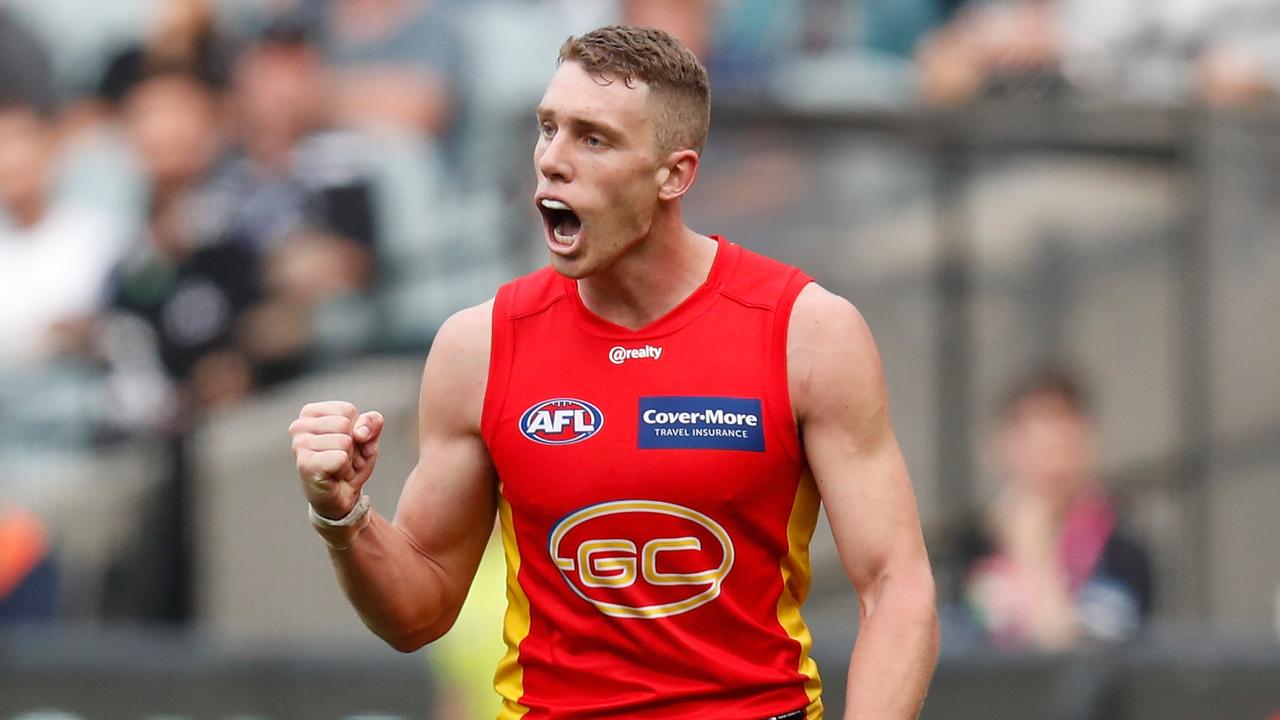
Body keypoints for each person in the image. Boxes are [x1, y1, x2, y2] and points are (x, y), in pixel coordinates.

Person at [288, 25, 938, 719]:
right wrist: (344, 517)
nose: (551, 161)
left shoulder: (805, 333)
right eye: (547, 128)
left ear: (675, 174)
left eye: (592, 138)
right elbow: (418, 614)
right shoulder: (477, 348)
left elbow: (896, 585)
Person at [960, 368, 1154, 650]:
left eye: (1063, 434)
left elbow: (1071, 662)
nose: (1052, 454)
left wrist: (1034, 551)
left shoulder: (1122, 554)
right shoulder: (973, 549)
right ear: (1003, 447)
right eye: (1033, 436)